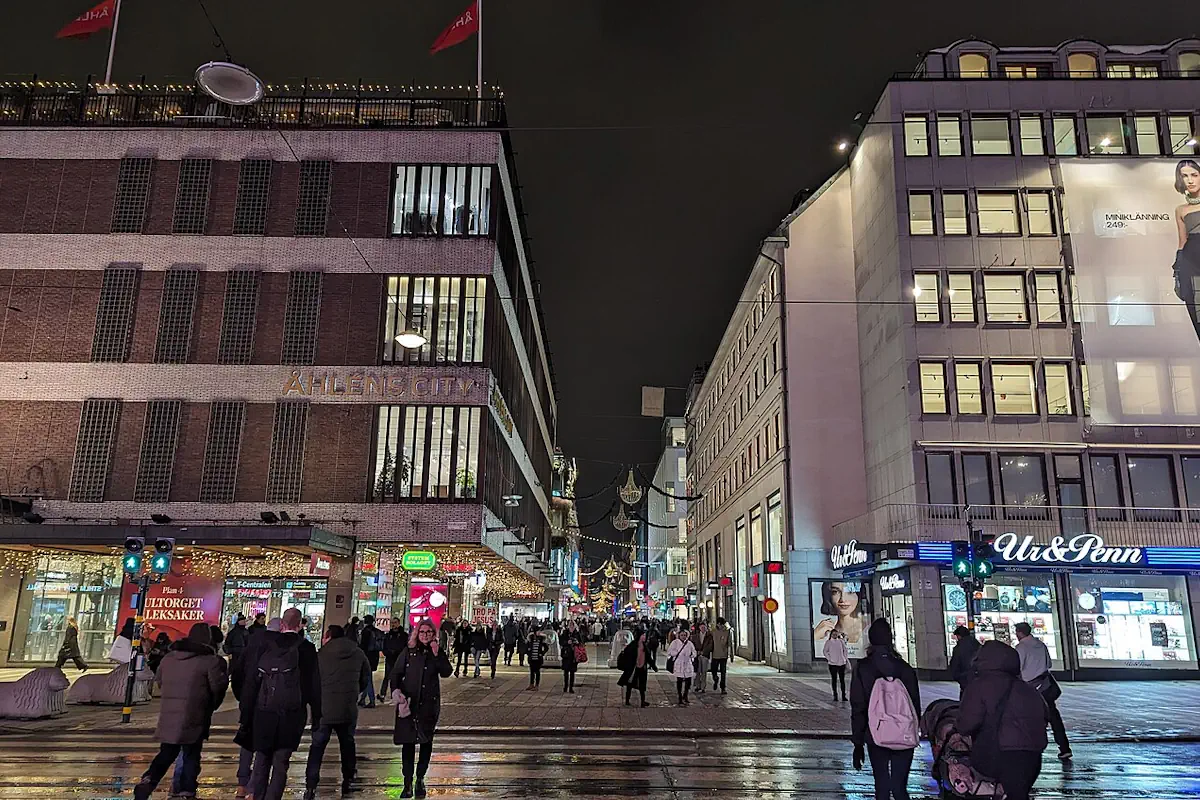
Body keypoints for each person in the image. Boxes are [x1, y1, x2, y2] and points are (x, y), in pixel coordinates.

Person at [132, 623, 228, 800]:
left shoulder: (169, 658)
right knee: (191, 755)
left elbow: (159, 681)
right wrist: (211, 705)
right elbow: (218, 688)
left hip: (169, 715)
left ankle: (148, 780)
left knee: (167, 753)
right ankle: (186, 791)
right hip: (195, 713)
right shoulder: (209, 661)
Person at [239, 608, 322, 800]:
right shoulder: (307, 649)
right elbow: (314, 686)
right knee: (281, 763)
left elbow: (253, 681)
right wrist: (317, 715)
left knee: (261, 759)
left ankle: (257, 795)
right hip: (291, 714)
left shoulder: (267, 645)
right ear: (300, 624)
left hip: (264, 711)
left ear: (282, 625)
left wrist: (246, 714)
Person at [957, 640, 1049, 800]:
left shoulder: (979, 686)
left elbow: (966, 724)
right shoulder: (1027, 688)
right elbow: (1045, 717)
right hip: (1032, 758)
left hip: (997, 755)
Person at [849, 618, 920, 800]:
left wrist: (858, 742)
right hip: (903, 733)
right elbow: (914, 706)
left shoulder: (863, 668)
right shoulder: (905, 668)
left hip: (876, 733)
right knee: (899, 788)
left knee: (881, 786)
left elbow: (858, 706)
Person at [304, 624, 369, 799]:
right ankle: (348, 779)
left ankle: (310, 786)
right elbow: (365, 679)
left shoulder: (320, 655)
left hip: (323, 709)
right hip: (348, 708)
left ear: (329, 636)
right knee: (347, 744)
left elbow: (312, 681)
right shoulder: (357, 653)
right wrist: (353, 693)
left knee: (317, 747)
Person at [390, 619, 453, 799]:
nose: (425, 635)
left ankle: (420, 779)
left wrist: (436, 653)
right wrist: (396, 691)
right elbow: (396, 673)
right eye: (423, 632)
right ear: (417, 633)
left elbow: (446, 671)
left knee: (426, 743)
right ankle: (407, 782)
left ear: (434, 634)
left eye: (429, 632)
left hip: (428, 705)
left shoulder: (436, 652)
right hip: (408, 704)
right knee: (408, 743)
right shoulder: (409, 652)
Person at [1014, 621, 1072, 760]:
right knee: (1054, 717)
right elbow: (1049, 664)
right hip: (1045, 686)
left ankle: (1029, 748)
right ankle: (1064, 748)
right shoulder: (1040, 644)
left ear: (1020, 633)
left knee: (1028, 718)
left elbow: (1018, 668)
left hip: (1030, 688)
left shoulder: (1020, 647)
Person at [1173, 159, 1200, 342]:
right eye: (1185, 176)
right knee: (1197, 312)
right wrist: (1178, 271)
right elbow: (1182, 241)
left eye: (1194, 175)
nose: (1190, 180)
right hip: (1190, 262)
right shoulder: (1181, 210)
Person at [814, 581, 865, 651]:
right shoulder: (824, 633)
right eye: (835, 592)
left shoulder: (868, 630)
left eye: (850, 591)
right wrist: (815, 636)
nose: (843, 599)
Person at [666, 623, 697, 706]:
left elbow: (694, 652)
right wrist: (675, 653)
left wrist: (692, 655)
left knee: (688, 681)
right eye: (682, 635)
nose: (683, 637)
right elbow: (669, 652)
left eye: (684, 635)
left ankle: (685, 695)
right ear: (679, 635)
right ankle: (679, 696)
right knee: (679, 681)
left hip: (688, 664)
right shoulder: (675, 643)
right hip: (679, 664)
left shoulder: (690, 643)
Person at [617, 630, 650, 707]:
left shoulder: (645, 645)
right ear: (639, 636)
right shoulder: (633, 645)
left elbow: (648, 657)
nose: (645, 637)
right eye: (643, 635)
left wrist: (653, 666)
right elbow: (626, 654)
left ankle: (642, 702)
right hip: (633, 668)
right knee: (630, 684)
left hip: (642, 668)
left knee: (642, 686)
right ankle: (627, 701)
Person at [380, 618, 408, 699]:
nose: (393, 624)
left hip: (400, 660)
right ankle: (383, 694)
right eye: (392, 623)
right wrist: (387, 652)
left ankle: (397, 693)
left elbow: (405, 647)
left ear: (399, 623)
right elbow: (384, 646)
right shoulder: (388, 635)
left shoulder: (403, 635)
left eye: (395, 623)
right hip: (390, 659)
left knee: (399, 677)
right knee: (387, 677)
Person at [949, 625, 981, 695]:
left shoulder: (958, 648)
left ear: (959, 636)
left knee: (966, 700)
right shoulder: (978, 645)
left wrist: (958, 677)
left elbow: (955, 665)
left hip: (965, 679)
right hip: (979, 678)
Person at [358, 615, 380, 708]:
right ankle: (363, 699)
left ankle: (371, 700)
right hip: (374, 656)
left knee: (368, 679)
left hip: (367, 657)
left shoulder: (365, 632)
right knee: (368, 677)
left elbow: (363, 646)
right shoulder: (375, 631)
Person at [824, 628, 849, 701]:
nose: (835, 635)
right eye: (833, 634)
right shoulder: (828, 642)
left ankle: (843, 695)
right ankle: (835, 695)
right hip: (832, 664)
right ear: (831, 635)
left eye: (836, 634)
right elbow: (825, 651)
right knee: (834, 679)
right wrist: (830, 658)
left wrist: (844, 658)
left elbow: (845, 650)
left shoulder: (841, 641)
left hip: (841, 662)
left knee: (842, 680)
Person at [709, 617, 731, 694]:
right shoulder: (713, 631)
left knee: (723, 672)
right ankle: (715, 679)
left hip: (723, 655)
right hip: (715, 654)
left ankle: (723, 687)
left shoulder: (727, 632)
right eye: (719, 624)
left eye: (721, 624)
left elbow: (730, 643)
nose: (720, 626)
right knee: (713, 670)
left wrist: (731, 655)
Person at [560, 627, 580, 693]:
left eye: (572, 625)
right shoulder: (565, 633)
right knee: (566, 673)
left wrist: (576, 642)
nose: (571, 627)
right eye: (570, 625)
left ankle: (571, 687)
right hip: (566, 656)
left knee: (572, 673)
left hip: (573, 656)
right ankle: (565, 687)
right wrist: (567, 642)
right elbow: (561, 642)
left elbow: (581, 642)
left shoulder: (577, 633)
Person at [692, 622, 710, 694]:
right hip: (697, 655)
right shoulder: (695, 636)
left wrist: (704, 652)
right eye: (702, 627)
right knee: (698, 671)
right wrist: (697, 652)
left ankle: (703, 687)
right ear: (699, 628)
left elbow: (710, 645)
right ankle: (697, 685)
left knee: (704, 672)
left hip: (705, 655)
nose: (703, 628)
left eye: (704, 627)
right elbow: (693, 645)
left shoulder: (709, 636)